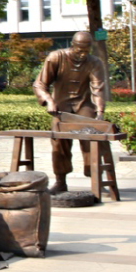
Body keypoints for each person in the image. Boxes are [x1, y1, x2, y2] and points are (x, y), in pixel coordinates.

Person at [32, 31, 107, 194]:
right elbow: (39, 84)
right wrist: (49, 101)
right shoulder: (55, 57)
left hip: (83, 105)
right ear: (73, 45)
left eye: (86, 51)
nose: (83, 54)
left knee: (92, 139)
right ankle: (60, 181)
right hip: (61, 107)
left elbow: (98, 88)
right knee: (59, 144)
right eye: (80, 50)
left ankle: (96, 179)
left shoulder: (95, 62)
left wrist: (100, 111)